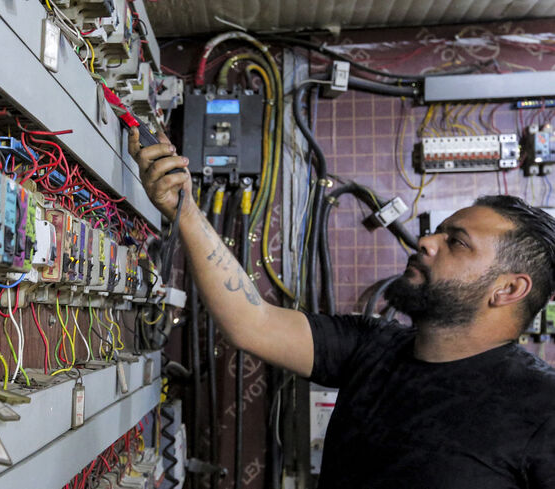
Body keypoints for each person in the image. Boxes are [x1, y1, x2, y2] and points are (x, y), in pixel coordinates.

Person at [130, 128, 555, 488]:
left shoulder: (542, 408)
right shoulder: (372, 346)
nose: (426, 242)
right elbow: (251, 321)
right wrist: (183, 208)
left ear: (509, 289)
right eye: (438, 232)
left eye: (456, 242)